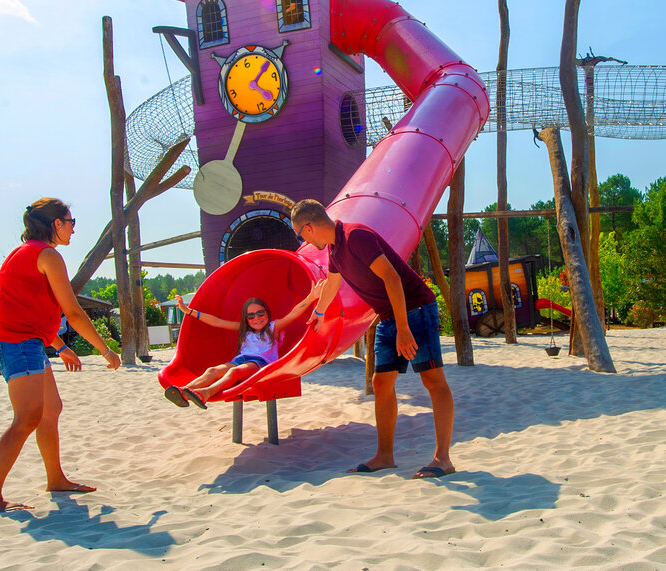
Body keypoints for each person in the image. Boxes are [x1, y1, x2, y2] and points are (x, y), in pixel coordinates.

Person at [291, 199, 455, 479]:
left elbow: (392, 278)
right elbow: (332, 281)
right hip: (387, 315)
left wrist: (403, 329)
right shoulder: (335, 248)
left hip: (414, 309)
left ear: (308, 228)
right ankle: (385, 456)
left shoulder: (356, 236)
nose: (302, 239)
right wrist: (319, 312)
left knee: (432, 379)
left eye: (299, 234)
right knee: (381, 382)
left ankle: (443, 459)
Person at [0, 199, 121, 512]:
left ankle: (55, 478)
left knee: (50, 409)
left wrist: (61, 347)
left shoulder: (25, 252)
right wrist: (105, 349)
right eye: (71, 221)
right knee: (27, 418)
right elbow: (73, 312)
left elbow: (30, 310)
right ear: (56, 224)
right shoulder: (48, 255)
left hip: (22, 339)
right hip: (15, 341)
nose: (73, 228)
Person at [164, 284, 322, 408]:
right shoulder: (244, 329)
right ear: (246, 319)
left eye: (260, 313)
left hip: (260, 364)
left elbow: (294, 313)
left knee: (235, 372)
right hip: (240, 360)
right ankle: (183, 390)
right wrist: (189, 311)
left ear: (267, 313)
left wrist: (311, 297)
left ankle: (206, 393)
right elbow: (217, 322)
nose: (256, 318)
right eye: (251, 315)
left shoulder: (273, 328)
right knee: (212, 370)